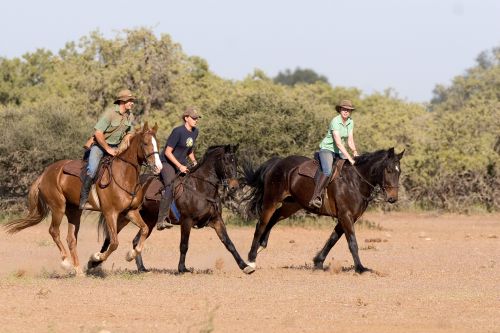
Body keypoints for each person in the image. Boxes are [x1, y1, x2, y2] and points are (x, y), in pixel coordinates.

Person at [79, 89, 136, 209]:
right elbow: (98, 133)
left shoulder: (130, 116)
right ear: (123, 101)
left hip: (116, 148)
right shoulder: (109, 114)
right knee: (92, 169)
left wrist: (127, 138)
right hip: (100, 146)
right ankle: (84, 199)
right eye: (130, 100)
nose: (132, 103)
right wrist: (108, 149)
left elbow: (130, 132)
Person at [156, 106, 201, 230]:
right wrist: (180, 166)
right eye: (193, 118)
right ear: (186, 118)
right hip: (167, 163)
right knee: (170, 186)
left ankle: (192, 217)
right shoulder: (178, 131)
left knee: (193, 185)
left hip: (181, 164)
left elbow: (189, 150)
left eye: (197, 118)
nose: (196, 120)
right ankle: (161, 220)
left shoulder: (195, 132)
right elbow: (168, 152)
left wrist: (195, 162)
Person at [309, 99, 359, 209]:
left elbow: (350, 140)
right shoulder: (335, 121)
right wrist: (349, 157)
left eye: (348, 110)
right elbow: (339, 143)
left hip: (339, 152)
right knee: (327, 171)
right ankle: (316, 197)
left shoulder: (351, 122)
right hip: (327, 149)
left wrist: (355, 152)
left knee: (350, 169)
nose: (346, 111)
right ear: (340, 110)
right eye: (344, 109)